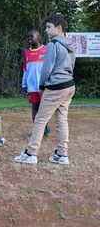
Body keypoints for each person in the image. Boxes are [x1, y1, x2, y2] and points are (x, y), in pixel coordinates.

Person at [15, 13, 76, 165]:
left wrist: (41, 86)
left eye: (49, 27)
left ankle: (31, 153)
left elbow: (46, 69)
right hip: (69, 86)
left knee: (40, 119)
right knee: (62, 119)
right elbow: (72, 65)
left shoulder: (53, 45)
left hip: (55, 87)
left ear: (59, 28)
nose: (46, 31)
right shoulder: (70, 44)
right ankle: (62, 154)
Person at [22, 29, 50, 137]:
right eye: (28, 37)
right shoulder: (26, 52)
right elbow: (25, 70)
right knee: (35, 107)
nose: (29, 39)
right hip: (32, 86)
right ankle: (37, 131)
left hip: (44, 86)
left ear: (38, 37)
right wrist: (24, 85)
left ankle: (44, 127)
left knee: (44, 108)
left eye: (32, 36)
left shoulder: (46, 50)